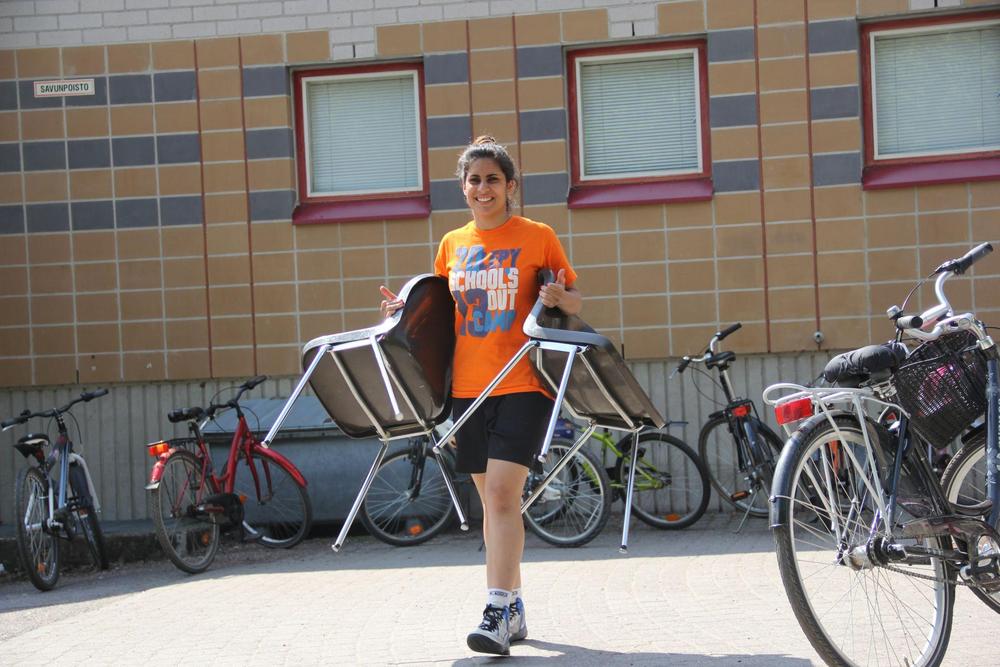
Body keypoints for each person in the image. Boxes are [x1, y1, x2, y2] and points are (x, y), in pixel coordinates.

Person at [379, 136, 582, 656]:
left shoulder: (537, 236)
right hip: (466, 390)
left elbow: (573, 300)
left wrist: (560, 296)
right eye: (475, 180)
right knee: (492, 504)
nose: (483, 188)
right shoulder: (452, 244)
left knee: (502, 496)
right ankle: (513, 608)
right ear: (463, 188)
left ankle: (494, 612)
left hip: (523, 383)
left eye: (493, 179)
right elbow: (440, 316)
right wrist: (402, 315)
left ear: (510, 186)